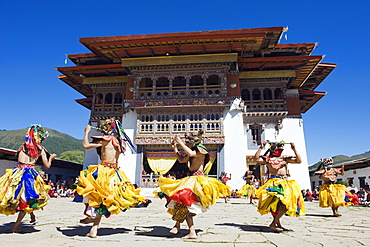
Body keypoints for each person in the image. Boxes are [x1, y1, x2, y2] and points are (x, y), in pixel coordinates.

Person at [76, 118, 147, 238]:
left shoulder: (105, 140)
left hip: (104, 171)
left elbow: (86, 145)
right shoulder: (120, 142)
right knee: (101, 198)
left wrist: (86, 132)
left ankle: (94, 227)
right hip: (116, 173)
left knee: (91, 192)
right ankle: (91, 219)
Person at [156, 130, 231, 239]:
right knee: (181, 201)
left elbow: (191, 154)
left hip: (197, 179)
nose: (186, 142)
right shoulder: (191, 150)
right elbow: (182, 160)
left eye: (188, 140)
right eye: (186, 140)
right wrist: (175, 148)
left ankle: (181, 228)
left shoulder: (200, 150)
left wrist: (180, 142)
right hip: (190, 178)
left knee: (185, 201)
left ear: (194, 140)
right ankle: (184, 229)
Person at [0, 125, 56, 233]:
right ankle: (15, 226)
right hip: (29, 175)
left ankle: (32, 216)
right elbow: (47, 166)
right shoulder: (40, 149)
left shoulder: (22, 146)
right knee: (28, 198)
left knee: (15, 195)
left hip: (16, 173)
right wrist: (51, 158)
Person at [254, 140, 305, 232]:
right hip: (273, 182)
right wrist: (261, 148)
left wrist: (294, 149)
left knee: (285, 202)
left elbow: (299, 161)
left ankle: (276, 223)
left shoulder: (285, 159)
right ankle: (275, 223)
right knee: (276, 204)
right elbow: (256, 159)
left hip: (284, 182)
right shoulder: (268, 159)